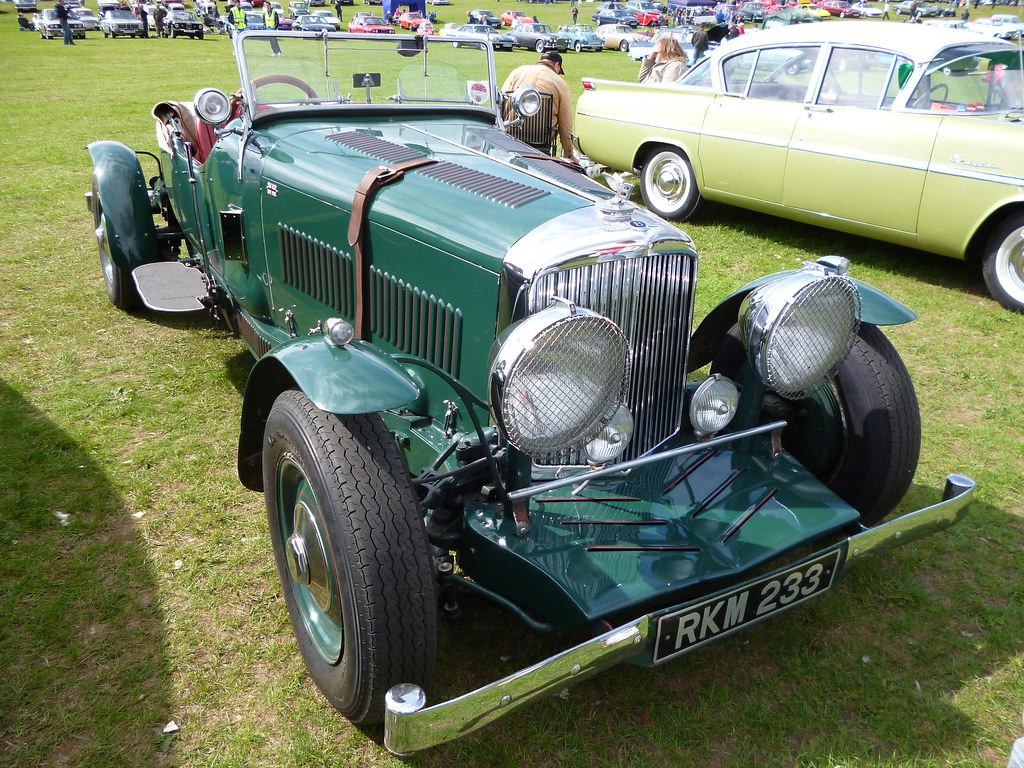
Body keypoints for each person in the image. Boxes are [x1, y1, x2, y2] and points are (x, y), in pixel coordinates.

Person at [501, 51, 575, 159]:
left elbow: (502, 99)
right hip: (541, 141)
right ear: (557, 65)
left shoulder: (517, 72)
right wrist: (569, 155)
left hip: (511, 133)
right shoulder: (560, 83)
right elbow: (565, 126)